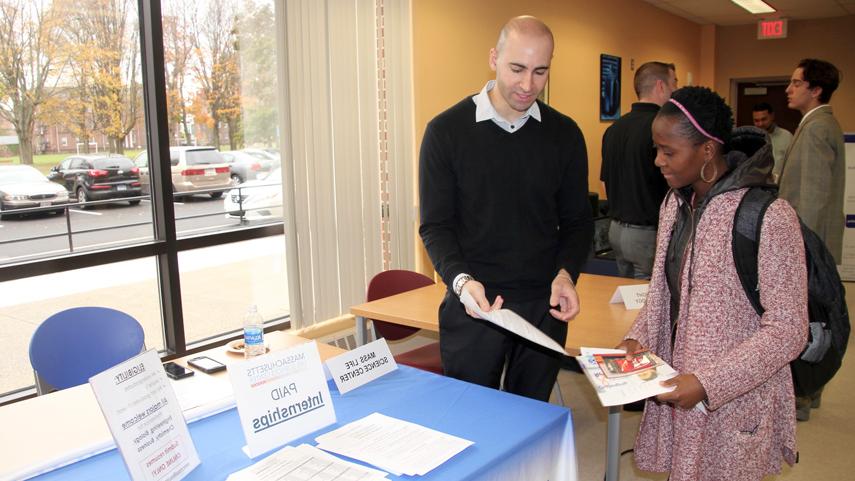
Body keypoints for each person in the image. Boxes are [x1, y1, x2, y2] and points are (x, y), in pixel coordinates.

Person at [616, 86, 808, 481]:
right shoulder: (674, 204)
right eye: (656, 149)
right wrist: (638, 339)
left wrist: (708, 383)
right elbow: (661, 293)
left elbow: (790, 329)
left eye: (669, 152)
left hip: (734, 399)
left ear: (706, 150)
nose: (658, 161)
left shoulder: (769, 215)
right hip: (677, 383)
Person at [418, 16, 593, 402]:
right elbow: (435, 226)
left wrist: (566, 275)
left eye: (540, 71)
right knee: (472, 422)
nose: (528, 85)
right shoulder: (446, 131)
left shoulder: (564, 135)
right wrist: (461, 282)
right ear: (494, 58)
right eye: (517, 69)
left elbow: (578, 221)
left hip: (543, 306)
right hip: (474, 304)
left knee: (529, 421)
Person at [778, 58, 844, 420]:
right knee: (812, 320)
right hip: (809, 246)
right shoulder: (816, 124)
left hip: (806, 247)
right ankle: (809, 392)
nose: (789, 88)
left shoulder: (817, 128)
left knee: (807, 322)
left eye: (795, 82)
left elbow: (813, 199)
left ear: (815, 89)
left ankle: (803, 395)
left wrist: (799, 255)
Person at [600, 61, 675, 279]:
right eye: (673, 84)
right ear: (661, 86)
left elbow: (606, 180)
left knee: (628, 299)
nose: (675, 90)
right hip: (646, 234)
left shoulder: (613, 129)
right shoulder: (661, 128)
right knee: (647, 303)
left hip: (616, 231)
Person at [751, 101, 793, 181]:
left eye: (764, 119)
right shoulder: (751, 139)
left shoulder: (787, 137)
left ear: (772, 116)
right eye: (756, 121)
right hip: (758, 185)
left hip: (781, 186)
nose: (760, 124)